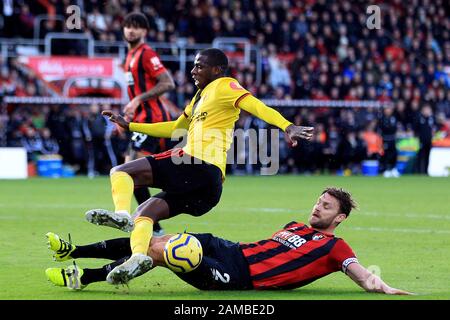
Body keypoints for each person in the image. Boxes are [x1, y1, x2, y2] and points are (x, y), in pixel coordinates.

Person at [84, 47, 314, 285]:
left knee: (121, 171)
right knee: (145, 213)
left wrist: (287, 126)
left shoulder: (226, 85)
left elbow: (257, 106)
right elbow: (175, 128)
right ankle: (139, 257)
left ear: (217, 70)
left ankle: (121, 215)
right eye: (194, 65)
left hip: (197, 163)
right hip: (208, 189)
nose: (193, 71)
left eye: (199, 66)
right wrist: (131, 126)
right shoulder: (198, 98)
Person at [45, 187, 411, 295]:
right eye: (318, 201)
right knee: (156, 241)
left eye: (326, 206)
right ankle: (73, 252)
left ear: (340, 218)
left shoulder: (336, 248)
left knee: (163, 250)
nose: (317, 208)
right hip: (230, 249)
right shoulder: (295, 225)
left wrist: (387, 288)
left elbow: (362, 276)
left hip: (238, 277)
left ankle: (87, 275)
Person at [121, 12, 177, 235]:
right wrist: (129, 114)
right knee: (131, 171)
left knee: (130, 171)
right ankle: (152, 224)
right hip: (141, 119)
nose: (130, 30)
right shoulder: (130, 55)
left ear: (144, 31)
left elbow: (168, 83)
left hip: (153, 120)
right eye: (127, 26)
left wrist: (137, 100)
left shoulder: (146, 53)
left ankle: (143, 221)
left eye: (136, 27)